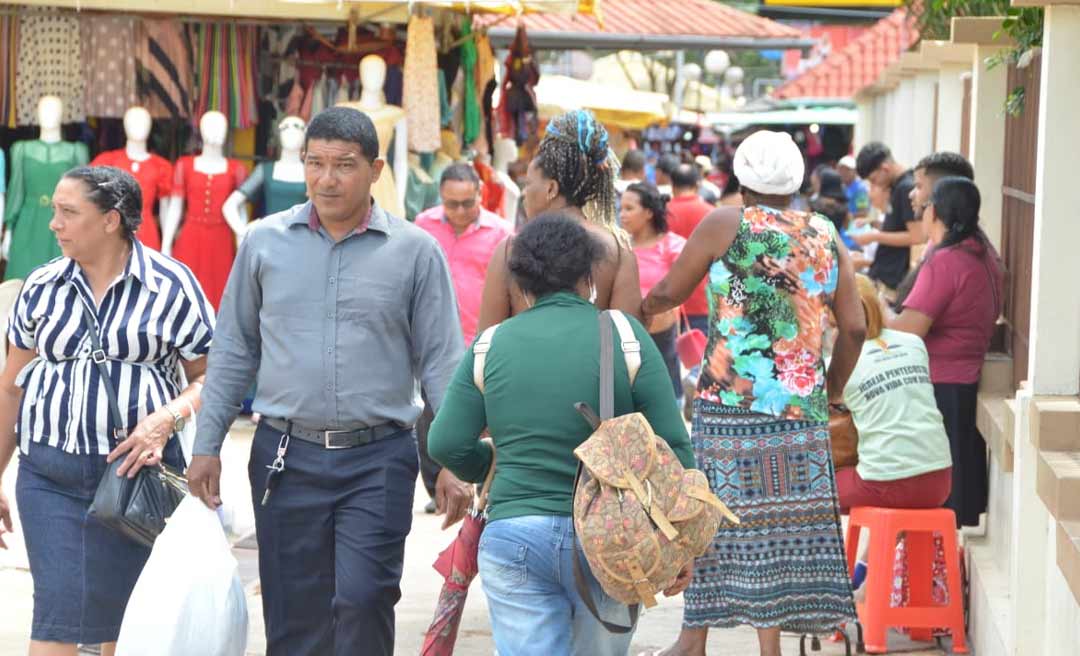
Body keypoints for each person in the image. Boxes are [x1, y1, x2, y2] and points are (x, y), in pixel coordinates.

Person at [186, 106, 472, 656]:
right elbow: (234, 350)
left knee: (365, 600)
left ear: (375, 169)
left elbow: (442, 362)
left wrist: (452, 460)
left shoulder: (414, 251)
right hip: (284, 457)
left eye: (344, 165)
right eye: (315, 164)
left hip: (379, 459)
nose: (327, 179)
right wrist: (207, 445)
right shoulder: (263, 243)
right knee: (295, 615)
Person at [429, 213, 695, 656]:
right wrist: (681, 538)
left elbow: (445, 442)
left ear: (520, 282)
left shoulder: (490, 344)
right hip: (611, 539)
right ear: (589, 275)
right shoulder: (625, 336)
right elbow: (675, 445)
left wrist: (494, 462)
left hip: (515, 531)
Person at [642, 130, 865, 656]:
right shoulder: (825, 233)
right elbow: (854, 329)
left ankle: (692, 642)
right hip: (799, 410)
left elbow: (671, 292)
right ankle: (769, 650)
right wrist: (830, 391)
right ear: (797, 181)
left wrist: (632, 308)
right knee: (781, 532)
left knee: (712, 522)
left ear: (741, 178)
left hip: (728, 406)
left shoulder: (725, 223)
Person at [0, 166, 213, 655]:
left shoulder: (172, 286)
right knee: (57, 616)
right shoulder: (41, 286)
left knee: (121, 622)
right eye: (55, 210)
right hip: (48, 476)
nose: (54, 223)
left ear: (111, 220)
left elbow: (213, 375)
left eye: (68, 213)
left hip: (136, 480)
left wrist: (166, 419)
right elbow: (10, 387)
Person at [889, 177, 1003, 528]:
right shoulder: (982, 252)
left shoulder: (948, 261)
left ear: (934, 211)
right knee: (950, 501)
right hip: (962, 380)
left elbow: (910, 329)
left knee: (935, 498)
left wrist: (872, 325)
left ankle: (930, 579)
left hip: (941, 384)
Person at [476, 109, 642, 331]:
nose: (524, 194)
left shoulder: (510, 250)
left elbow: (486, 343)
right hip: (594, 366)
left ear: (551, 188)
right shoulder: (619, 251)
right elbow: (629, 340)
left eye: (528, 184)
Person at [413, 163, 514, 509]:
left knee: (482, 419)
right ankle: (436, 490)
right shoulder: (423, 226)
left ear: (480, 196)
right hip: (431, 339)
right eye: (451, 204)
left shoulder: (502, 233)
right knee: (429, 417)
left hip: (480, 340)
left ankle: (481, 485)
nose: (458, 211)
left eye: (466, 203)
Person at [837, 274, 953, 513]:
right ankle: (883, 550)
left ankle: (878, 549)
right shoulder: (913, 343)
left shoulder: (838, 364)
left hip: (887, 484)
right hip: (940, 481)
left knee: (808, 487)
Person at [621, 182, 685, 401]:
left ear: (648, 212)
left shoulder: (672, 247)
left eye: (629, 209)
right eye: (620, 208)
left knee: (667, 399)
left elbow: (680, 290)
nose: (622, 215)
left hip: (661, 338)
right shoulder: (618, 247)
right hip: (624, 339)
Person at [893, 151, 976, 309]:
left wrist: (877, 303)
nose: (911, 195)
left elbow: (906, 327)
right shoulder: (947, 240)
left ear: (944, 192)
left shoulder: (949, 257)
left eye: (918, 186)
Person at [853, 142, 919, 302]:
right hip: (884, 274)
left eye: (874, 180)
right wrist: (875, 224)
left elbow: (916, 236)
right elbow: (898, 226)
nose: (875, 186)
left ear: (885, 168)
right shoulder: (898, 186)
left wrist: (875, 237)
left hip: (892, 280)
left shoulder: (905, 187)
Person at [664, 163, 714, 335]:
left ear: (672, 184)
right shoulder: (713, 214)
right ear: (697, 184)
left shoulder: (661, 214)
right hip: (703, 299)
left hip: (667, 301)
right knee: (700, 358)